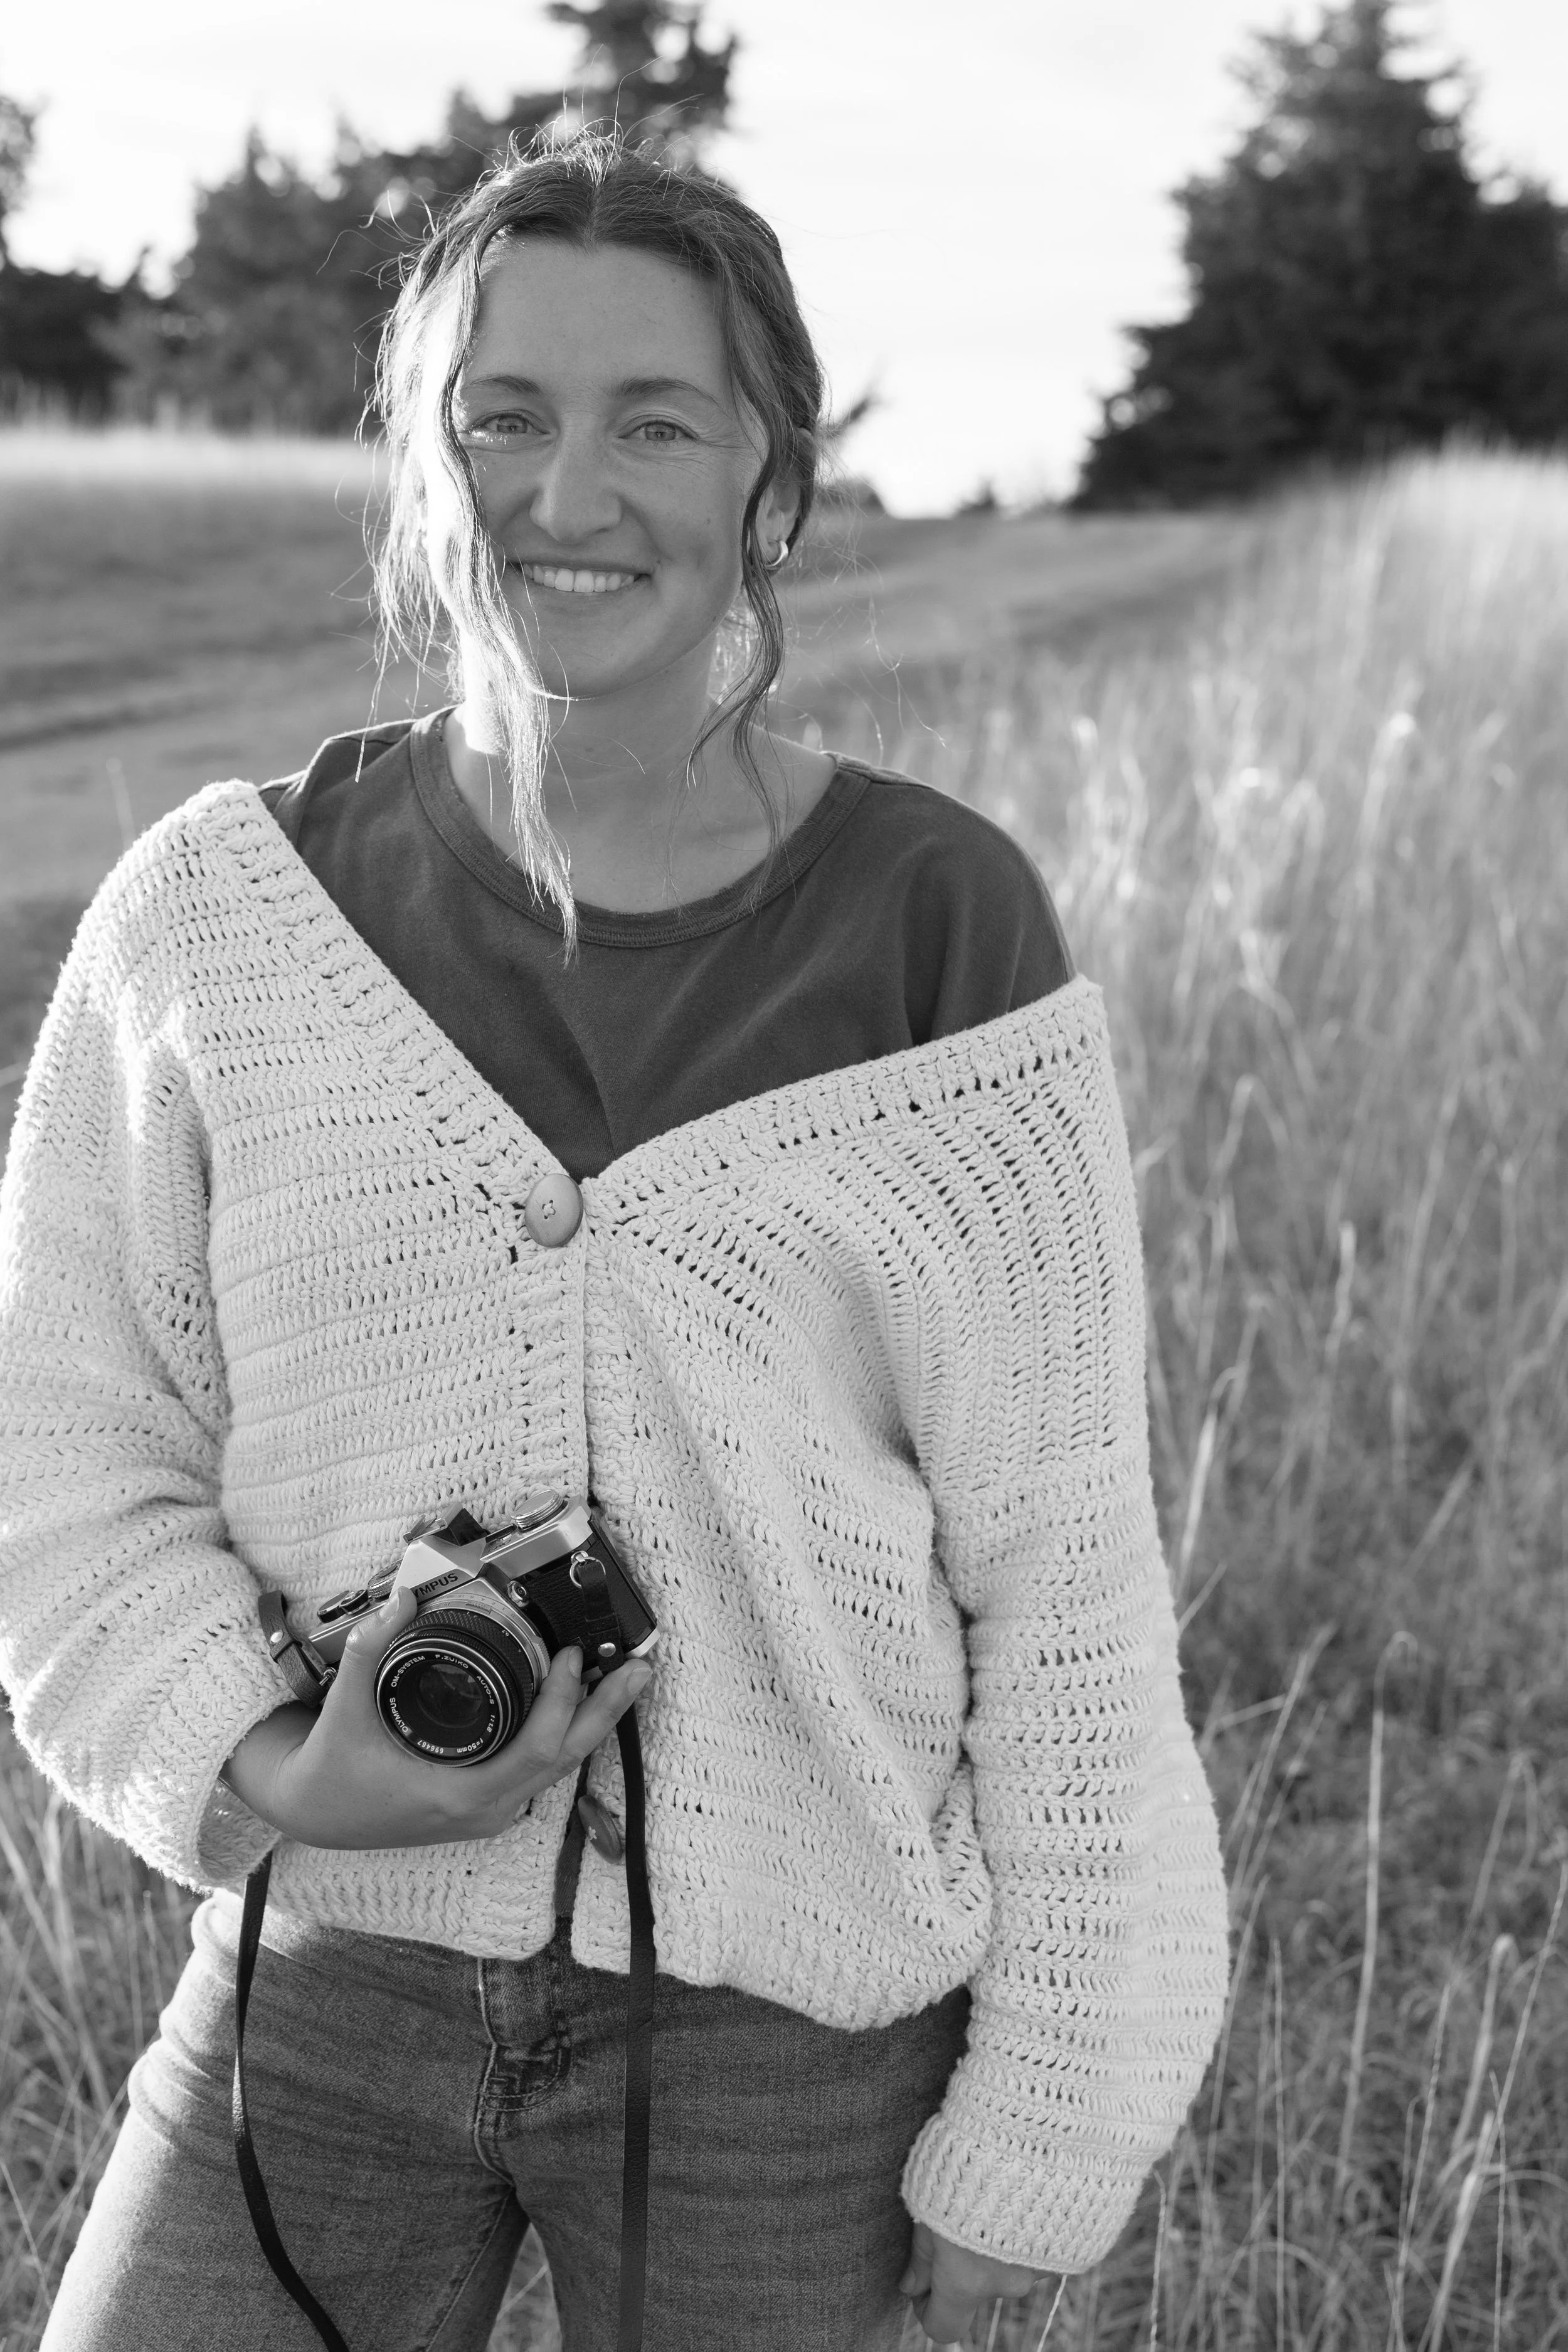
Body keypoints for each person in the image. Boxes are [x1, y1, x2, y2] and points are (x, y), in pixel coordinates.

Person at [0, 129, 1231, 2352]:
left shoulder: (942, 934)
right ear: (420, 458)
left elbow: (1060, 1573)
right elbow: (73, 1474)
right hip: (327, 1979)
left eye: (654, 420)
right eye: (502, 415)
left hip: (788, 2039)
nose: (566, 494)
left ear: (773, 477)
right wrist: (285, 1770)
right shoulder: (218, 919)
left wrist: (1057, 2096)